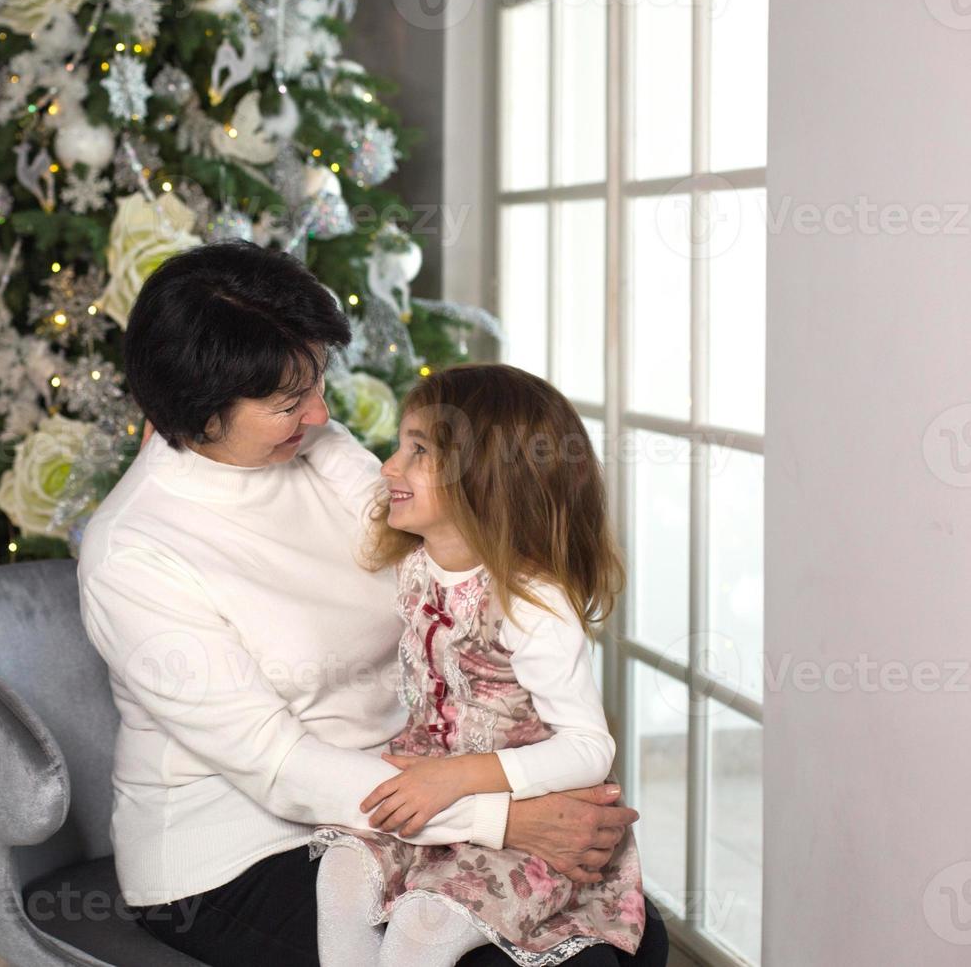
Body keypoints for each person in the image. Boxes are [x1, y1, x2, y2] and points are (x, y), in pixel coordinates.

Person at [75, 240, 667, 967]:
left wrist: (540, 778)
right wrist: (508, 819)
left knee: (628, 934)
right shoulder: (133, 553)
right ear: (202, 412)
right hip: (239, 848)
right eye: (289, 402)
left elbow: (458, 548)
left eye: (318, 382)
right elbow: (282, 766)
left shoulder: (315, 451)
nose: (320, 413)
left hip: (410, 787)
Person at [308, 363, 643, 966]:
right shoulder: (416, 563)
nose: (389, 467)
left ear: (487, 479)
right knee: (340, 876)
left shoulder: (532, 603)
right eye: (399, 446)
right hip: (431, 788)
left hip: (523, 811)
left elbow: (590, 750)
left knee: (422, 928)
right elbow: (334, 458)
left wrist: (459, 777)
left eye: (418, 451)